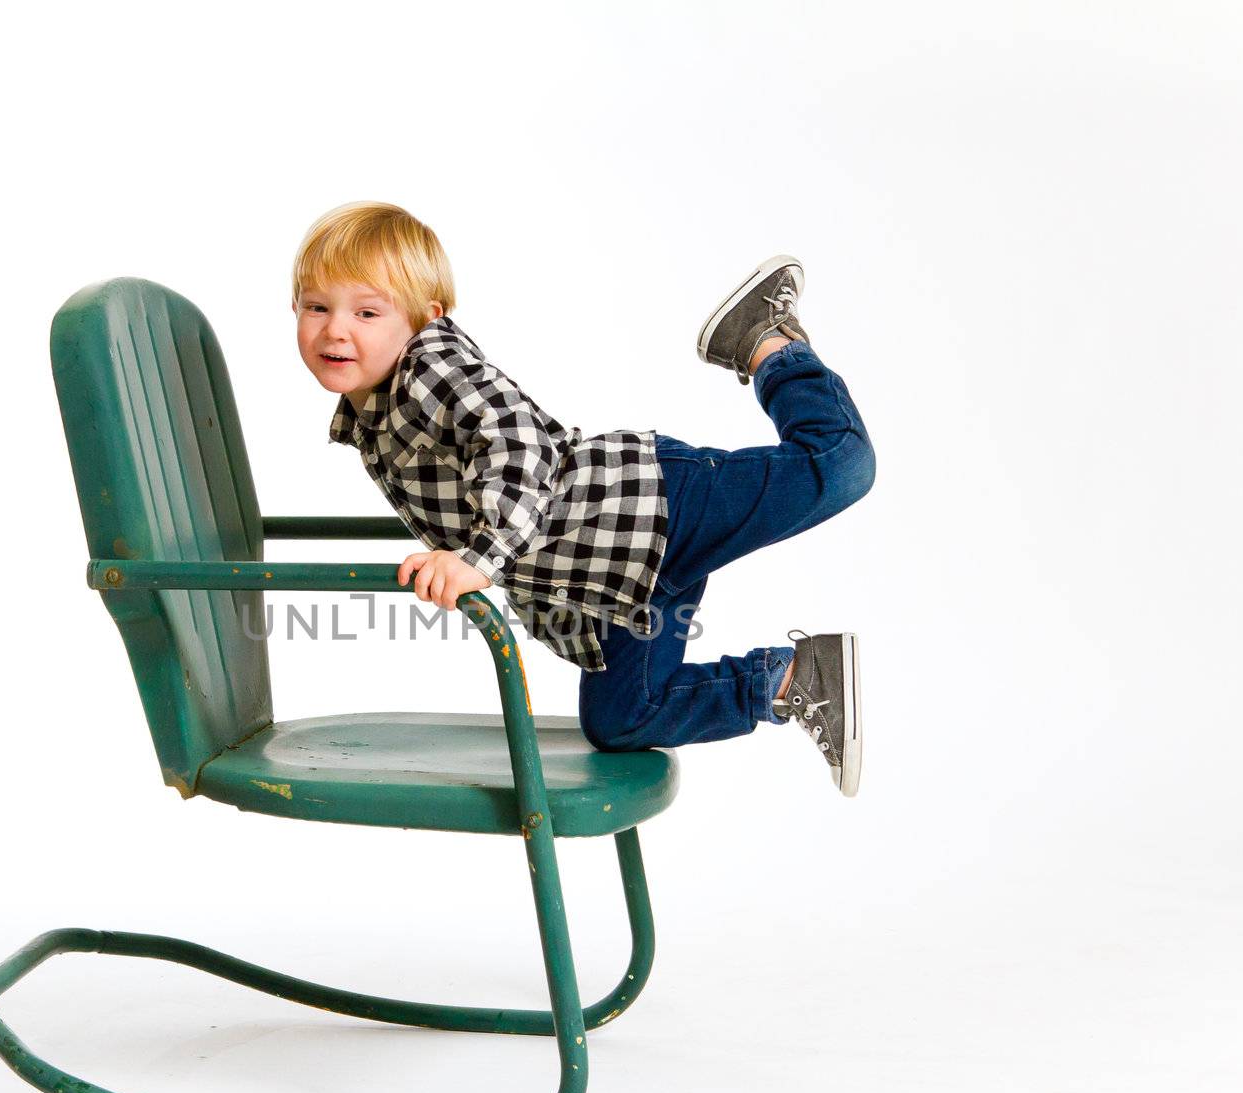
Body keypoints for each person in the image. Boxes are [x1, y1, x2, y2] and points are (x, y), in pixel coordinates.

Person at [295, 202, 875, 794]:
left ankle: (766, 341)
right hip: (616, 581)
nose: (336, 329)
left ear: (425, 318)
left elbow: (517, 448)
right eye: (316, 307)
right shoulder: (368, 415)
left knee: (841, 465)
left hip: (648, 504)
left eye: (367, 311)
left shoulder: (431, 367)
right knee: (622, 719)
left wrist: (476, 557)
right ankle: (796, 678)